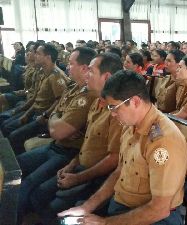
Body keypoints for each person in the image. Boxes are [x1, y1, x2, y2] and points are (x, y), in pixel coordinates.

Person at [59, 70, 187, 225]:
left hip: (153, 217)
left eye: (114, 107)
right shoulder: (130, 125)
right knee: (65, 214)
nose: (112, 114)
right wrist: (86, 207)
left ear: (135, 101)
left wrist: (105, 223)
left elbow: (159, 209)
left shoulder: (163, 141)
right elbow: (120, 172)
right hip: (122, 204)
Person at [28, 52, 124, 224]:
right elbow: (87, 144)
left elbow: (114, 159)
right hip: (80, 166)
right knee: (38, 194)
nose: (86, 74)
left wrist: (78, 178)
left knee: (49, 204)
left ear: (107, 77)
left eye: (91, 71)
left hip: (96, 177)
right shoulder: (97, 103)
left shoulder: (118, 111)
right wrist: (71, 165)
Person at [16, 47, 99, 222]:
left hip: (67, 153)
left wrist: (53, 117)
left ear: (84, 68)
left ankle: (14, 218)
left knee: (28, 185)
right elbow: (56, 115)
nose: (67, 67)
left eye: (71, 63)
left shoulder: (88, 96)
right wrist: (54, 117)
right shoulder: (73, 88)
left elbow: (58, 131)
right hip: (55, 146)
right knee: (16, 167)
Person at [1, 43, 68, 146]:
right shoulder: (43, 72)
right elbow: (37, 98)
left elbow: (60, 100)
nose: (34, 55)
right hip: (34, 112)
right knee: (5, 125)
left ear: (48, 57)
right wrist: (26, 113)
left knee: (13, 135)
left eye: (37, 53)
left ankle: (16, 160)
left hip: (43, 118)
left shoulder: (56, 76)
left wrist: (44, 115)